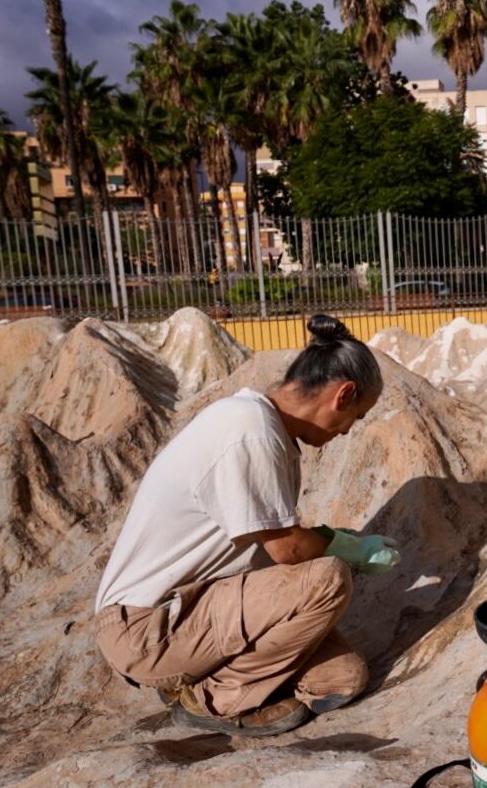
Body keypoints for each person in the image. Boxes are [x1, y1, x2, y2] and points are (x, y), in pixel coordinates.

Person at [93, 314, 399, 737]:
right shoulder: (248, 431)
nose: (348, 431)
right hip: (148, 627)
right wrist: (347, 546)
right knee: (327, 579)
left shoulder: (263, 428)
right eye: (357, 416)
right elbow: (288, 551)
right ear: (342, 394)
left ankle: (198, 674)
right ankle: (214, 699)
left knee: (341, 678)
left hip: (196, 607)